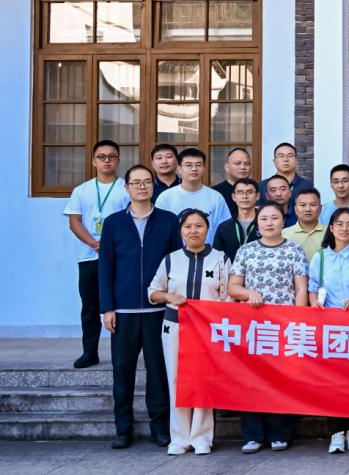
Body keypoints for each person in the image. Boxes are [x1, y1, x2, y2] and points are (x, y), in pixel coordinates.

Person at [99, 164, 180, 450]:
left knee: (158, 372)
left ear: (153, 187)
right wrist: (107, 308)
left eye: (147, 182)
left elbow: (176, 264)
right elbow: (105, 267)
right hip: (124, 312)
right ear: (127, 188)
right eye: (136, 182)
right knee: (123, 372)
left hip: (158, 311)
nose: (142, 187)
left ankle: (160, 428)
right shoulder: (113, 223)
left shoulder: (168, 221)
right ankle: (123, 429)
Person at [147, 208, 230, 455]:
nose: (193, 231)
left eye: (199, 226)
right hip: (175, 326)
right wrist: (168, 296)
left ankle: (202, 437)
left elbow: (228, 297)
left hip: (208, 330)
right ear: (181, 231)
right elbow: (153, 291)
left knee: (204, 380)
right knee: (176, 380)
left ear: (207, 229)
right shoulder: (170, 259)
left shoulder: (221, 259)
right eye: (188, 226)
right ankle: (179, 437)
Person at [228, 201, 309, 453]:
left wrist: (297, 320)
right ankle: (253, 435)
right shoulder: (246, 251)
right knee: (251, 379)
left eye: (274, 218)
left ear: (283, 221)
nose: (269, 223)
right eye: (264, 219)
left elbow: (301, 289)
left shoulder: (294, 250)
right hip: (253, 328)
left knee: (281, 380)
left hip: (284, 326)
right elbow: (233, 287)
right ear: (257, 222)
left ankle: (280, 433)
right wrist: (248, 293)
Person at [308, 206, 349, 454]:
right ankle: (336, 431)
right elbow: (313, 288)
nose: (345, 229)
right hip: (330, 328)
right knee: (332, 381)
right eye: (340, 224)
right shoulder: (321, 257)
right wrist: (315, 303)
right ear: (331, 228)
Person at [64, 140, 131, 369]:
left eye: (112, 156)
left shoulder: (125, 188)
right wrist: (93, 243)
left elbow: (132, 220)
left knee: (120, 305)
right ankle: (89, 352)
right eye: (102, 156)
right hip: (89, 256)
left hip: (119, 257)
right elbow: (74, 222)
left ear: (118, 160)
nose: (107, 160)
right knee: (90, 306)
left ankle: (122, 353)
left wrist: (113, 245)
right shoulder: (81, 190)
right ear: (93, 161)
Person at [155, 147, 231, 235]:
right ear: (179, 168)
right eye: (189, 165)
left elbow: (225, 231)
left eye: (198, 165)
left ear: (204, 168)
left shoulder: (216, 197)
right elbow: (159, 231)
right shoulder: (165, 197)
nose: (194, 169)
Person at [211, 178, 261, 263]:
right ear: (234, 197)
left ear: (257, 196)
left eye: (249, 192)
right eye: (240, 192)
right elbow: (216, 257)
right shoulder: (224, 227)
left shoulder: (265, 225)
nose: (245, 196)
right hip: (230, 271)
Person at [283, 188, 326, 257]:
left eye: (313, 205)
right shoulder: (284, 234)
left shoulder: (330, 233)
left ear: (320, 208)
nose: (308, 209)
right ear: (295, 209)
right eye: (303, 205)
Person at [212, 147, 251, 217]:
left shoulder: (256, 191)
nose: (243, 167)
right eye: (238, 163)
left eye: (247, 164)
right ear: (227, 167)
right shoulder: (215, 194)